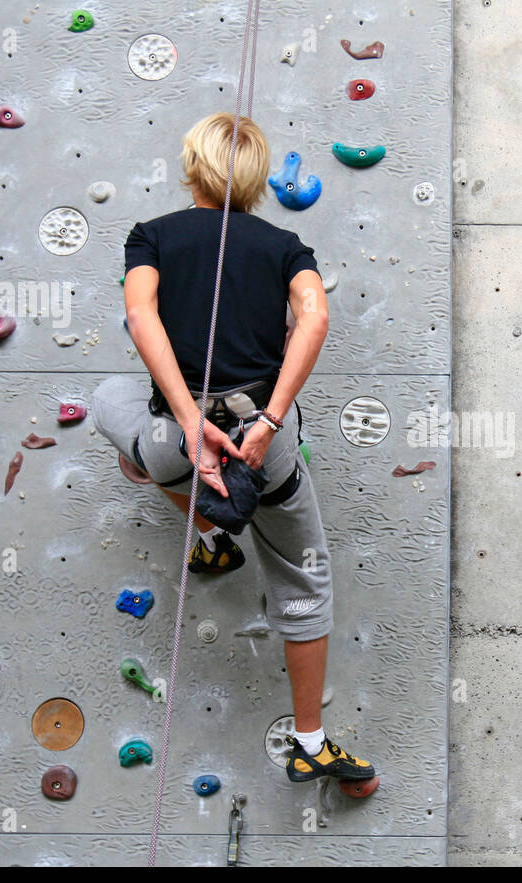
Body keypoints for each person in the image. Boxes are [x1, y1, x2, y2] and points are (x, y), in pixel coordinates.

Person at [91, 112, 375, 785]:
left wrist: (190, 420)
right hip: (257, 450)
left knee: (114, 406)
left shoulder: (151, 236)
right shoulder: (286, 247)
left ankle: (211, 534)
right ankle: (310, 740)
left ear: (192, 168)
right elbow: (316, 315)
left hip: (177, 442)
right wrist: (271, 419)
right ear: (253, 182)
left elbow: (140, 315)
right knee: (304, 578)